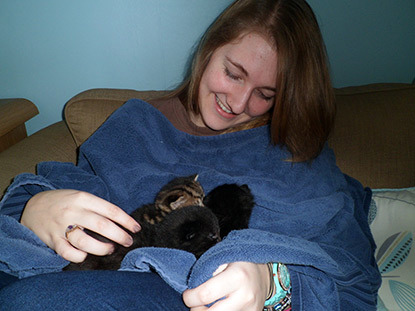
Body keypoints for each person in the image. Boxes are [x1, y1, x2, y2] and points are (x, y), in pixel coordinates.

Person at [0, 0, 381, 310]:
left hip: (185, 298)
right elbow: (76, 186)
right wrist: (34, 205)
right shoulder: (137, 125)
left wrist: (274, 284)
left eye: (266, 94)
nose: (239, 102)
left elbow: (353, 279)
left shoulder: (296, 151)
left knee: (28, 302)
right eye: (233, 74)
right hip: (105, 275)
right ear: (209, 50)